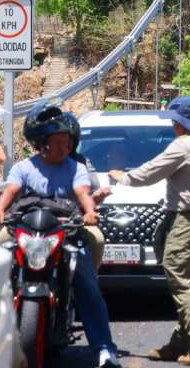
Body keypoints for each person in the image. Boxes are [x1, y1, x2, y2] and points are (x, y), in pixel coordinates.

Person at [0, 104, 120, 368]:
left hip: (66, 232)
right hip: (29, 231)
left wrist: (89, 213)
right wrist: (0, 209)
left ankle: (105, 350)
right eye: (59, 141)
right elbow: (11, 190)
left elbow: (83, 193)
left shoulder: (75, 168)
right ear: (42, 144)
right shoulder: (25, 167)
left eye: (68, 141)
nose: (66, 146)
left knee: (88, 285)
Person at [108, 102, 190, 367]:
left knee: (181, 283)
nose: (173, 126)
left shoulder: (182, 146)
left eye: (174, 122)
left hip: (185, 221)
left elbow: (151, 172)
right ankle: (180, 343)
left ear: (181, 125)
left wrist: (123, 177)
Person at [62, 111, 111, 272]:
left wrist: (93, 203)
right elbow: (15, 192)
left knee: (96, 238)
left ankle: (91, 278)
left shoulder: (81, 164)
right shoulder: (28, 165)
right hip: (36, 224)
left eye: (66, 140)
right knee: (5, 236)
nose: (61, 144)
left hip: (72, 222)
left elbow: (88, 192)